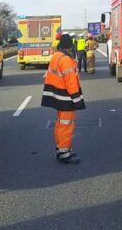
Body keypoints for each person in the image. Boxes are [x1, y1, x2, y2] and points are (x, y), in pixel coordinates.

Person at [41, 34, 86, 164]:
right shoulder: (66, 60)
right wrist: (77, 100)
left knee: (60, 124)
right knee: (67, 125)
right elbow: (71, 82)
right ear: (70, 46)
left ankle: (61, 148)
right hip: (66, 98)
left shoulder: (56, 56)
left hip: (57, 96)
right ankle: (65, 153)